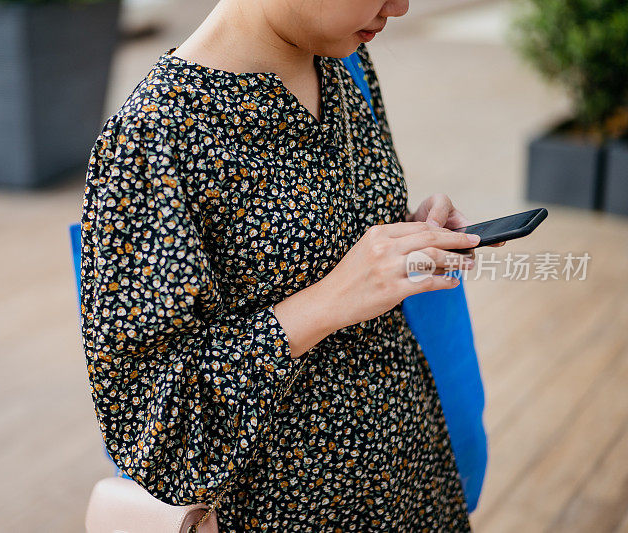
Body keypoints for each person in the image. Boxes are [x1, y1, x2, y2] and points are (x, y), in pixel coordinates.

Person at [80, 0, 502, 529]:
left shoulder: (345, 62)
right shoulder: (153, 138)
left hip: (412, 473)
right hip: (293, 509)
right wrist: (326, 302)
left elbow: (336, 242)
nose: (401, 6)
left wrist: (408, 233)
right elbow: (153, 436)